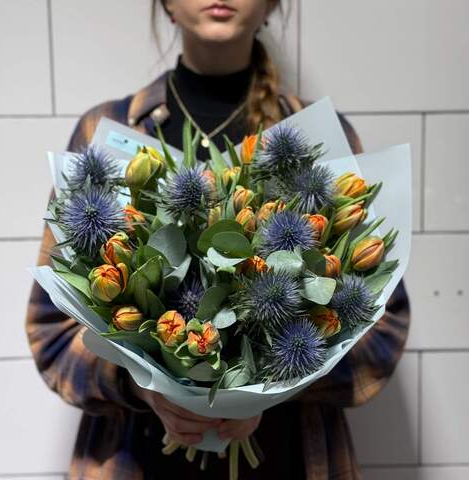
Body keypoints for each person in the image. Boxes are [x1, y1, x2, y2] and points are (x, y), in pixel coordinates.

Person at [25, 1, 410, 478]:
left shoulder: (323, 140)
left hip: (288, 454)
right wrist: (143, 387)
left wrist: (277, 382)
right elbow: (52, 334)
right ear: (165, 5)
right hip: (137, 455)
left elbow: (383, 326)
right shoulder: (104, 133)